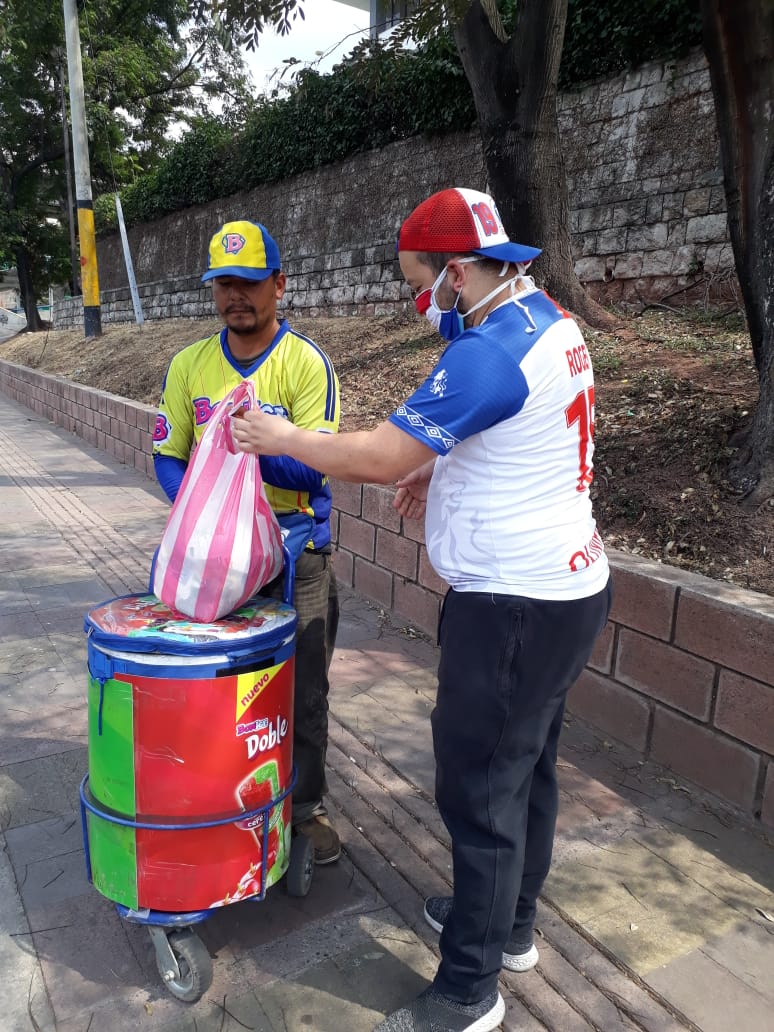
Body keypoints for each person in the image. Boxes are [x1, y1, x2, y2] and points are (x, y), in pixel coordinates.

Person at [231, 188, 612, 1032]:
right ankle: (508, 927)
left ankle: (469, 990)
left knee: (479, 792)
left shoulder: (486, 357)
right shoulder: (542, 317)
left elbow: (376, 453)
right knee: (527, 770)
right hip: (571, 587)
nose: (422, 304)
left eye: (424, 285)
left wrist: (282, 438)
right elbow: (530, 435)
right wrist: (442, 470)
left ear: (454, 271)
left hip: (513, 608)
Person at [152, 218, 342, 865]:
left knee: (302, 688)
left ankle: (304, 810)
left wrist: (247, 452)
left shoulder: (304, 364)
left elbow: (316, 465)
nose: (236, 296)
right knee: (219, 685)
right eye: (224, 284)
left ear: (279, 285)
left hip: (295, 553)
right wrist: (202, 506)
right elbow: (168, 455)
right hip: (216, 559)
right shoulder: (189, 366)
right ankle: (221, 799)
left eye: (250, 283)